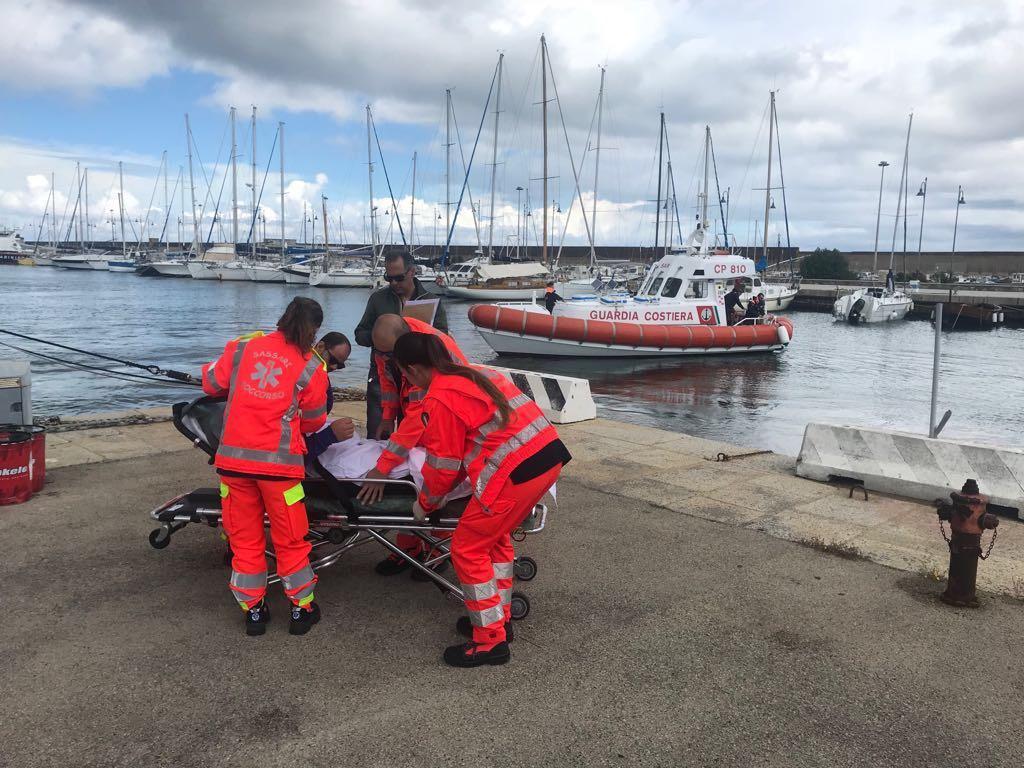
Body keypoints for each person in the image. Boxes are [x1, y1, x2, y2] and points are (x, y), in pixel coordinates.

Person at [391, 333, 571, 667]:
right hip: (547, 457)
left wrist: (426, 504)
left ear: (412, 370)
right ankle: (498, 620)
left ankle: (490, 643)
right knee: (493, 540)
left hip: (514, 474)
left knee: (466, 548)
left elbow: (443, 466)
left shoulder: (439, 399)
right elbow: (468, 449)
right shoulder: (476, 373)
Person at [201, 297, 330, 637]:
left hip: (235, 466)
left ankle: (254, 612)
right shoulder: (312, 366)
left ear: (282, 318)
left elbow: (211, 384)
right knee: (291, 540)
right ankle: (302, 609)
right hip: (280, 469)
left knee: (244, 540)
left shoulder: (243, 347)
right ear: (315, 329)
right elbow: (315, 420)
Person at [356, 313, 468, 577]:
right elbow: (388, 382)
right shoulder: (387, 346)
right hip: (424, 412)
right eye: (380, 353)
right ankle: (408, 551)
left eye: (389, 355)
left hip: (446, 417)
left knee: (437, 481)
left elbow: (419, 416)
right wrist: (387, 416)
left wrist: (381, 470)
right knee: (411, 483)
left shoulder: (428, 352)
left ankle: (438, 550)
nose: (385, 358)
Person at [354, 251, 448, 438]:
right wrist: (381, 337)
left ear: (412, 271)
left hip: (416, 374)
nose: (394, 283)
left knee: (413, 430)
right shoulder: (378, 299)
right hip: (382, 370)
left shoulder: (432, 301)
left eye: (399, 277)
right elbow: (359, 334)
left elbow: (442, 336)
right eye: (389, 278)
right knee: (377, 428)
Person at [304, 331, 356, 461]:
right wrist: (330, 435)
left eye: (340, 365)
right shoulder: (302, 377)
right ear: (320, 346)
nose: (333, 366)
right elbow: (291, 450)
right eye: (332, 360)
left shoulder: (321, 379)